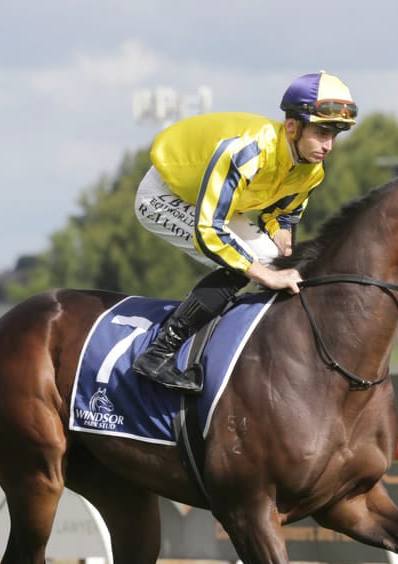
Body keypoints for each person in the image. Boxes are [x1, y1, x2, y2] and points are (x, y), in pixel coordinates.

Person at [132, 71, 358, 394]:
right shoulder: (248, 152)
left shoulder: (312, 171)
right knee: (245, 264)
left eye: (335, 135)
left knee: (275, 261)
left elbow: (281, 213)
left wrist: (281, 236)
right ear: (292, 126)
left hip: (212, 202)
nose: (329, 146)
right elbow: (209, 231)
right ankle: (159, 353)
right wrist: (266, 276)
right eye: (322, 132)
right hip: (163, 194)